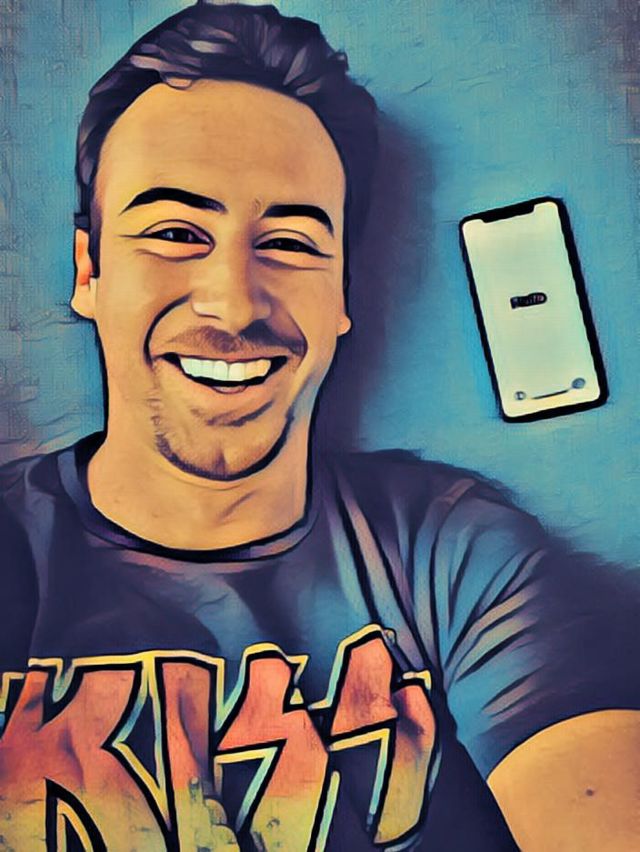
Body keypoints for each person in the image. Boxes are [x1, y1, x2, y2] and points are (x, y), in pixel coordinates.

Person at [0, 2, 638, 850]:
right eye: (176, 232)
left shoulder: (455, 559)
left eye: (291, 242)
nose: (233, 304)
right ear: (89, 271)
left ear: (341, 294)